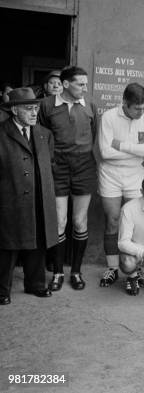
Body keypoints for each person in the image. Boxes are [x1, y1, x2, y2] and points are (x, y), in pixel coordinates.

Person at [38, 66, 98, 291]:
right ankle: (57, 272)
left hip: (84, 165)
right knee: (60, 221)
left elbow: (93, 135)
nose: (85, 88)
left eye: (85, 83)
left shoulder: (90, 106)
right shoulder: (46, 106)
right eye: (80, 84)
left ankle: (76, 271)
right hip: (58, 166)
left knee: (79, 221)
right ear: (65, 84)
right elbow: (42, 137)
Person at [0, 88, 58, 305]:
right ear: (14, 110)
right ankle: (2, 290)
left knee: (38, 242)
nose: (34, 113)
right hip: (10, 198)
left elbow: (51, 164)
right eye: (28, 109)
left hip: (39, 197)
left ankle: (36, 284)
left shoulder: (44, 134)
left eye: (36, 108)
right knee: (8, 246)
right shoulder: (2, 133)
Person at [98, 83, 144, 287]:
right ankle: (113, 268)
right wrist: (137, 149)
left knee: (136, 221)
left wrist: (122, 146)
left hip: (135, 173)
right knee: (113, 220)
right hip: (110, 173)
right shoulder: (108, 117)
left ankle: (136, 269)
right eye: (137, 108)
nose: (142, 112)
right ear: (125, 102)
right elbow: (105, 152)